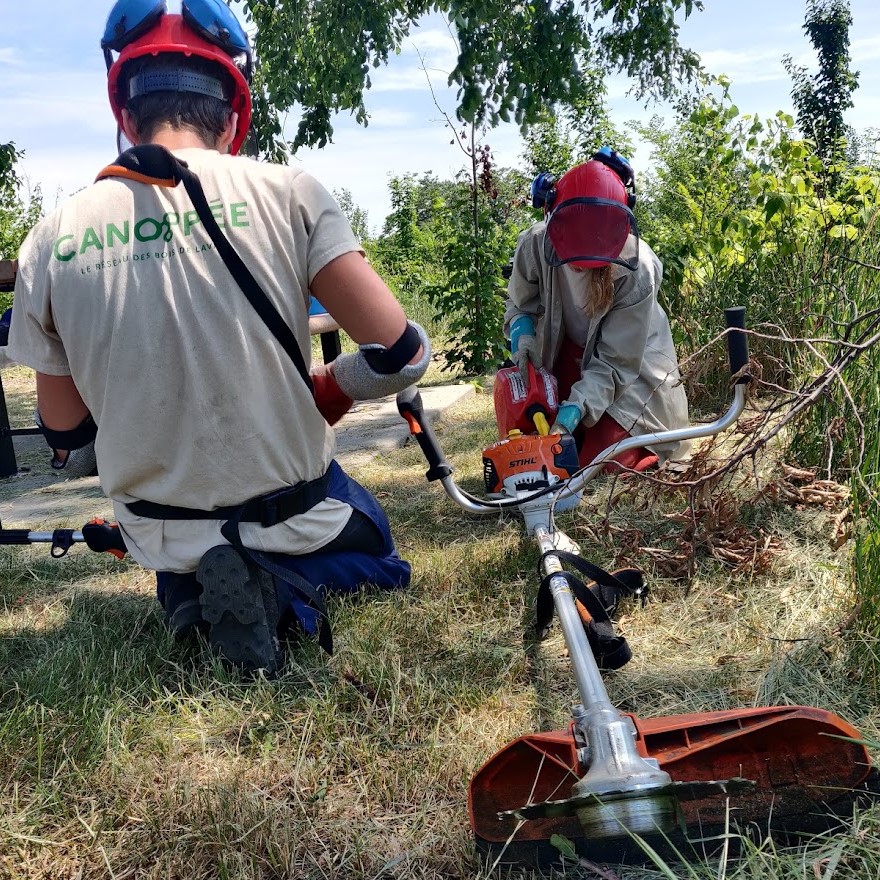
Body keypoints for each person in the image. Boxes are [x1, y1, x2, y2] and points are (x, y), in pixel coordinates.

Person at [8, 0, 431, 676]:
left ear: (124, 115)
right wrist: (331, 387)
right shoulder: (291, 191)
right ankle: (288, 594)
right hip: (296, 510)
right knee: (380, 551)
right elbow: (405, 355)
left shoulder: (49, 239)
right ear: (234, 116)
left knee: (187, 550)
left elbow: (63, 434)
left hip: (159, 524)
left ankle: (190, 599)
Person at [505, 149, 689, 472]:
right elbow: (521, 304)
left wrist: (575, 410)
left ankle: (637, 450)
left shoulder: (639, 270)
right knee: (535, 449)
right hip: (566, 355)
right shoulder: (534, 244)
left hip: (632, 369)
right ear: (553, 219)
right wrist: (522, 337)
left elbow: (615, 364)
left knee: (601, 464)